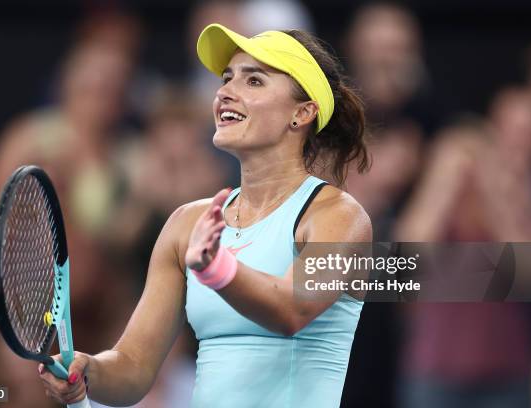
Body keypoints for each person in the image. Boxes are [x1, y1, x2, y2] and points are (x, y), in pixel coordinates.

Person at [39, 23, 371, 407]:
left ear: (301, 113)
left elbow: (290, 310)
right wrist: (88, 370)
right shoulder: (186, 225)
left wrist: (216, 267)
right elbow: (132, 367)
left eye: (254, 82)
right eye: (227, 78)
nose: (225, 92)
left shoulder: (340, 217)